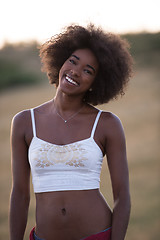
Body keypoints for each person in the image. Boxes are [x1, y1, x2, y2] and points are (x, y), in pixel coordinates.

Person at [9, 24, 133, 240]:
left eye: (88, 70)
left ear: (96, 82)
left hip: (97, 235)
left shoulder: (107, 124)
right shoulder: (24, 122)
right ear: (60, 61)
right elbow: (19, 195)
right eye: (73, 61)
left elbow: (122, 196)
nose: (75, 71)